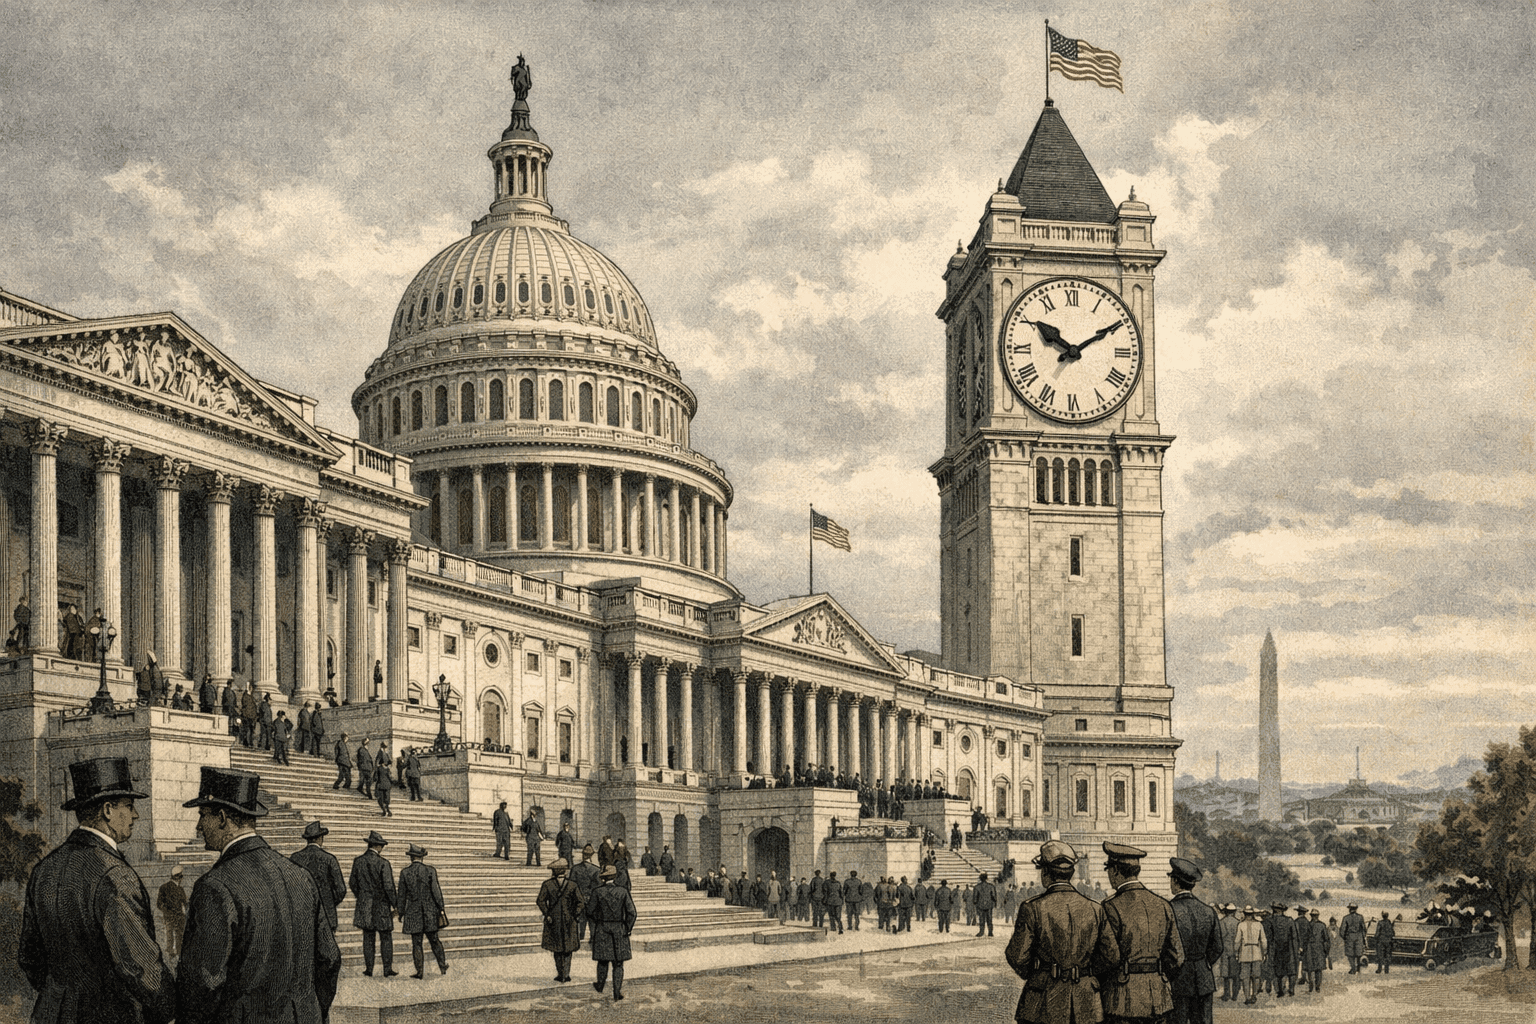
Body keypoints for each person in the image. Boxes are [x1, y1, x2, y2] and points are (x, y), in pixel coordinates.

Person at [177, 766, 341, 1024]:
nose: (199, 826)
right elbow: (329, 959)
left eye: (202, 815)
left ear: (222, 818)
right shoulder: (301, 877)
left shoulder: (214, 886)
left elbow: (204, 982)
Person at [19, 757, 175, 1024]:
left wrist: (63, 995)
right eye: (129, 806)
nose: (135, 815)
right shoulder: (115, 876)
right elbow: (139, 967)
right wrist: (171, 1010)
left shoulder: (44, 869)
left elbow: (30, 957)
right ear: (107, 810)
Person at [1004, 840, 1120, 1024]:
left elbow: (1017, 956)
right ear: (1071, 874)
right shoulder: (1095, 908)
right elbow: (1111, 956)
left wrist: (1037, 973)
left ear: (1045, 873)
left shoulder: (1032, 908)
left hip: (1042, 1001)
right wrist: (1085, 972)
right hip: (1086, 1003)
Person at [1098, 842, 1184, 1024]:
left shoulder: (1110, 906)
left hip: (1121, 999)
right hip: (1158, 999)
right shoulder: (1163, 905)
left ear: (1114, 871)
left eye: (1108, 870)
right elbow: (1177, 957)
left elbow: (1108, 958)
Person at [1167, 857, 1221, 1024]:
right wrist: (1202, 963)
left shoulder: (1168, 909)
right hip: (1203, 979)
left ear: (1175, 882)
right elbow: (1217, 947)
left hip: (1177, 979)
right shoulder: (1208, 911)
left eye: (1171, 879)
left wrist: (1171, 969)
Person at [291, 821, 348, 971]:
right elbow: (341, 889)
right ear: (319, 839)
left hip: (302, 913)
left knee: (306, 953)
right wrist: (328, 903)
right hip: (327, 915)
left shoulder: (295, 858)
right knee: (327, 955)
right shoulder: (329, 859)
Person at [349, 830, 399, 977]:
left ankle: (369, 969)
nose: (382, 848)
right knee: (386, 937)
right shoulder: (383, 863)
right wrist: (395, 904)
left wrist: (363, 896)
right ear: (377, 846)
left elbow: (353, 883)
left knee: (368, 937)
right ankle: (387, 969)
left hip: (365, 906)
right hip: (382, 906)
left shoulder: (358, 861)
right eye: (381, 845)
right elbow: (389, 887)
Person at [398, 844, 449, 978]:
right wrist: (441, 908)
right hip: (430, 912)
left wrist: (401, 912)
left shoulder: (405, 872)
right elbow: (436, 892)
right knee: (434, 940)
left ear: (411, 858)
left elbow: (401, 896)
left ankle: (419, 971)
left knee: (417, 943)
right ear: (421, 858)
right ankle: (442, 965)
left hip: (413, 913)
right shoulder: (430, 870)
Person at [588, 864, 637, 1001]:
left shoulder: (597, 892)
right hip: (619, 929)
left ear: (603, 879)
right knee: (618, 963)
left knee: (603, 960)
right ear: (614, 877)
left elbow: (589, 911)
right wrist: (627, 928)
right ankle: (616, 992)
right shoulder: (623, 891)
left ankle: (600, 985)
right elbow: (632, 913)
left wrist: (598, 921)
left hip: (602, 928)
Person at [538, 857, 583, 983]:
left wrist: (547, 914)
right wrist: (575, 915)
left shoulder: (547, 884)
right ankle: (566, 974)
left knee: (557, 949)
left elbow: (540, 901)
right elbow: (580, 902)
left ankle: (560, 974)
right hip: (570, 920)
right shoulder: (573, 885)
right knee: (568, 949)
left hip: (554, 920)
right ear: (565, 871)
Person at [1236, 906, 1268, 1005]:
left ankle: (1247, 997)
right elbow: (1263, 940)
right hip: (1256, 951)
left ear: (1245, 914)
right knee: (1256, 976)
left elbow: (1237, 940)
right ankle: (1254, 995)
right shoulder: (1259, 925)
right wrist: (1264, 951)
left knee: (1245, 976)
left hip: (1245, 952)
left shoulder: (1241, 925)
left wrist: (1236, 952)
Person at [1265, 901, 1298, 997]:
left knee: (1278, 970)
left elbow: (1268, 937)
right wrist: (1295, 949)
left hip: (1275, 948)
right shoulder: (1290, 920)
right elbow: (1294, 936)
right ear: (1282, 911)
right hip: (1288, 948)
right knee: (1291, 970)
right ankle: (1291, 989)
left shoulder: (1269, 921)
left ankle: (1280, 991)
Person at [571, 845, 602, 942]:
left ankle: (581, 936)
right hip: (592, 898)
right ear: (592, 856)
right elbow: (598, 886)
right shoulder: (596, 870)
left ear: (583, 855)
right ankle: (592, 937)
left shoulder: (575, 869)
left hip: (578, 898)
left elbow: (572, 885)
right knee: (592, 918)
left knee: (580, 917)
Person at [157, 865, 188, 960]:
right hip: (176, 916)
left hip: (172, 916)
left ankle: (173, 952)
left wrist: (166, 912)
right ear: (178, 877)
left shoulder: (165, 887)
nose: (181, 879)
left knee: (171, 934)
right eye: (181, 877)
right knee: (176, 934)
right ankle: (176, 953)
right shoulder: (177, 889)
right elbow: (185, 904)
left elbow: (159, 903)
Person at [1299, 908, 1330, 993]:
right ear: (1317, 916)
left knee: (1310, 968)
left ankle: (1311, 985)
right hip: (1319, 948)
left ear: (1311, 916)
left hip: (1309, 949)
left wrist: (1302, 950)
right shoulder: (1322, 925)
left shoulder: (1307, 925)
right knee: (1318, 969)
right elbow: (1326, 939)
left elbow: (1304, 939)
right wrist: (1326, 951)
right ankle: (1317, 986)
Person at [1216, 903, 1241, 1002]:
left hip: (1225, 950)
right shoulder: (1238, 922)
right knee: (1236, 975)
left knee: (1225, 975)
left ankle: (1226, 995)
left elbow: (1220, 936)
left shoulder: (1222, 922)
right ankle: (1235, 995)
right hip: (1236, 950)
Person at [1339, 902, 1367, 973]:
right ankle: (1357, 968)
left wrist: (1345, 938)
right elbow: (1364, 929)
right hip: (1359, 936)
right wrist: (1363, 937)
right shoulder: (1360, 917)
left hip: (1350, 937)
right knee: (1358, 953)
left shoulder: (1346, 918)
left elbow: (1342, 930)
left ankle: (1353, 968)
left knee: (1350, 954)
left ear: (1349, 909)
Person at [974, 871, 998, 937]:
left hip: (980, 905)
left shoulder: (977, 887)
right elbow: (994, 897)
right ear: (986, 878)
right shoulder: (991, 886)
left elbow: (975, 898)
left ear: (980, 878)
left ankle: (981, 932)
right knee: (989, 919)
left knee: (981, 919)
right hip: (989, 905)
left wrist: (976, 903)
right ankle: (990, 932)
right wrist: (994, 902)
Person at [374, 749, 393, 817]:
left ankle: (384, 810)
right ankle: (388, 809)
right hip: (387, 785)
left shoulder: (378, 769)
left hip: (380, 785)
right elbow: (391, 778)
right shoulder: (387, 770)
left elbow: (375, 778)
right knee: (387, 799)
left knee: (380, 799)